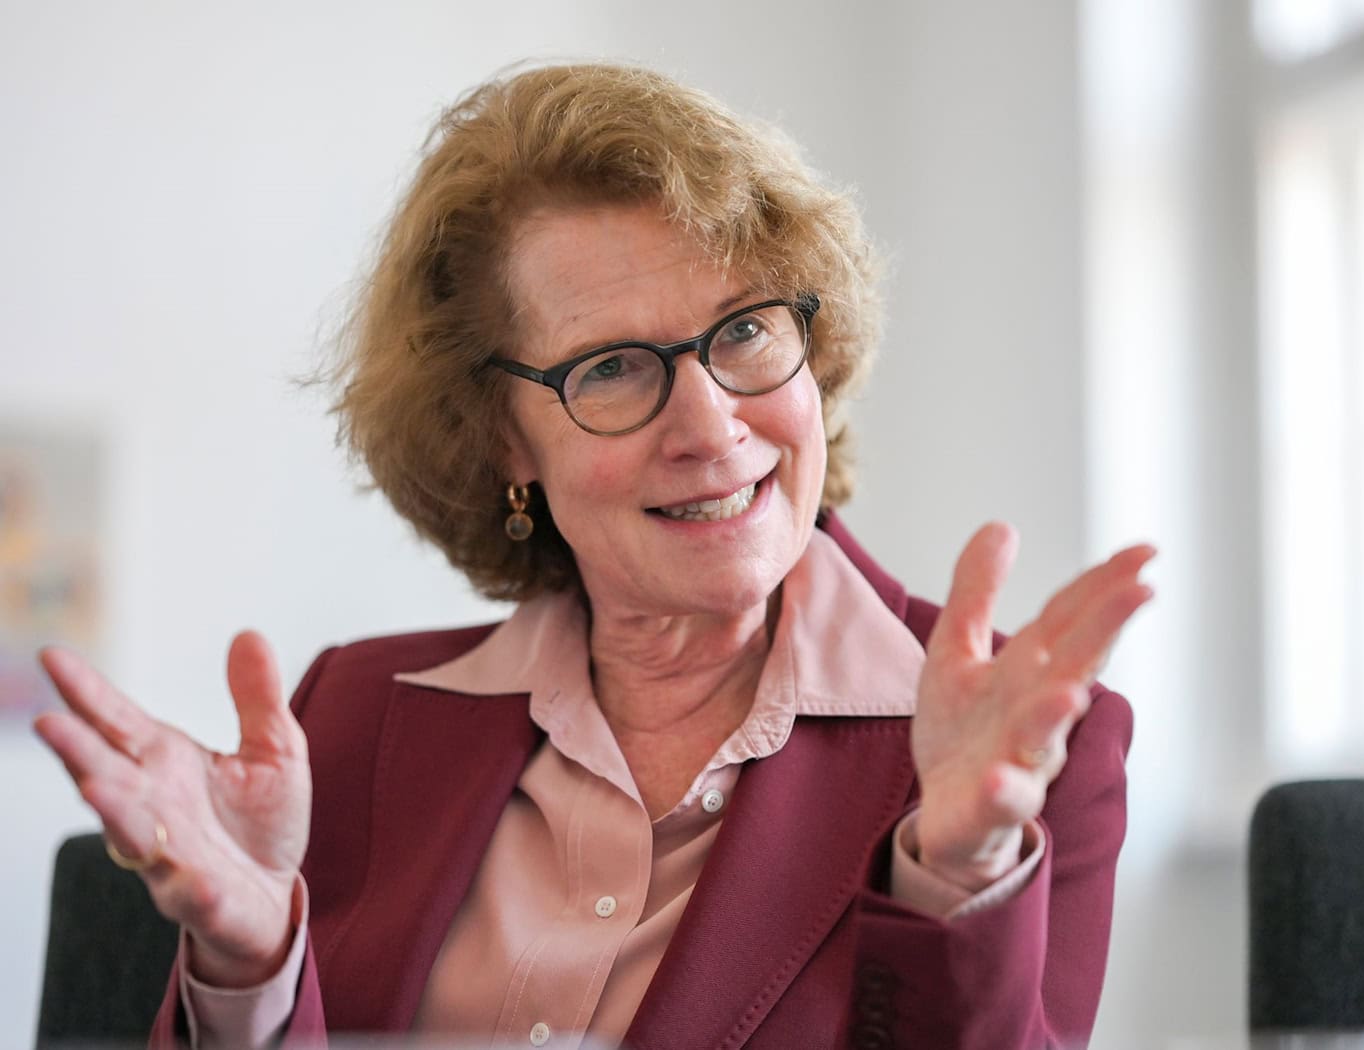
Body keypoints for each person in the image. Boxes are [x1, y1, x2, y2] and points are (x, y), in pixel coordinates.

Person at [34, 62, 1153, 1049]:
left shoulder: (1030, 745)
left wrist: (954, 878)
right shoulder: (357, 716)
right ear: (502, 441)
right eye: (613, 367)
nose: (712, 426)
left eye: (747, 329)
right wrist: (248, 973)